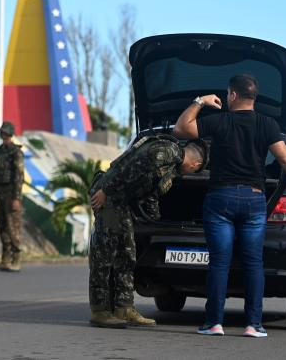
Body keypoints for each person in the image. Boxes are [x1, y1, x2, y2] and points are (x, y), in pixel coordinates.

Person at [174, 74, 286, 338]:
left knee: (219, 263)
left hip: (221, 199)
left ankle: (214, 323)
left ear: (232, 95)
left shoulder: (219, 121)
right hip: (254, 201)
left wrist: (200, 101)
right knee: (254, 263)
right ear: (254, 97)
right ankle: (254, 324)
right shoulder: (267, 124)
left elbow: (181, 129)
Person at [88, 135, 206, 329]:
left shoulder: (171, 169)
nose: (189, 173)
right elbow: (130, 166)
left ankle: (124, 308)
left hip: (121, 200)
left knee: (127, 254)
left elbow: (150, 192)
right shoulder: (168, 151)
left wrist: (155, 220)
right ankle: (100, 311)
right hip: (108, 196)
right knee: (105, 254)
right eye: (194, 170)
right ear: (196, 164)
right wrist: (106, 190)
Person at [0, 121, 24, 272]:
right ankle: (5, 259)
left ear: (8, 133)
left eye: (3, 132)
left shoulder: (16, 152)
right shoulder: (0, 150)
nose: (1, 134)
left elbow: (19, 176)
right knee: (3, 226)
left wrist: (16, 198)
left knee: (12, 227)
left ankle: (16, 259)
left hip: (11, 193)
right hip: (1, 192)